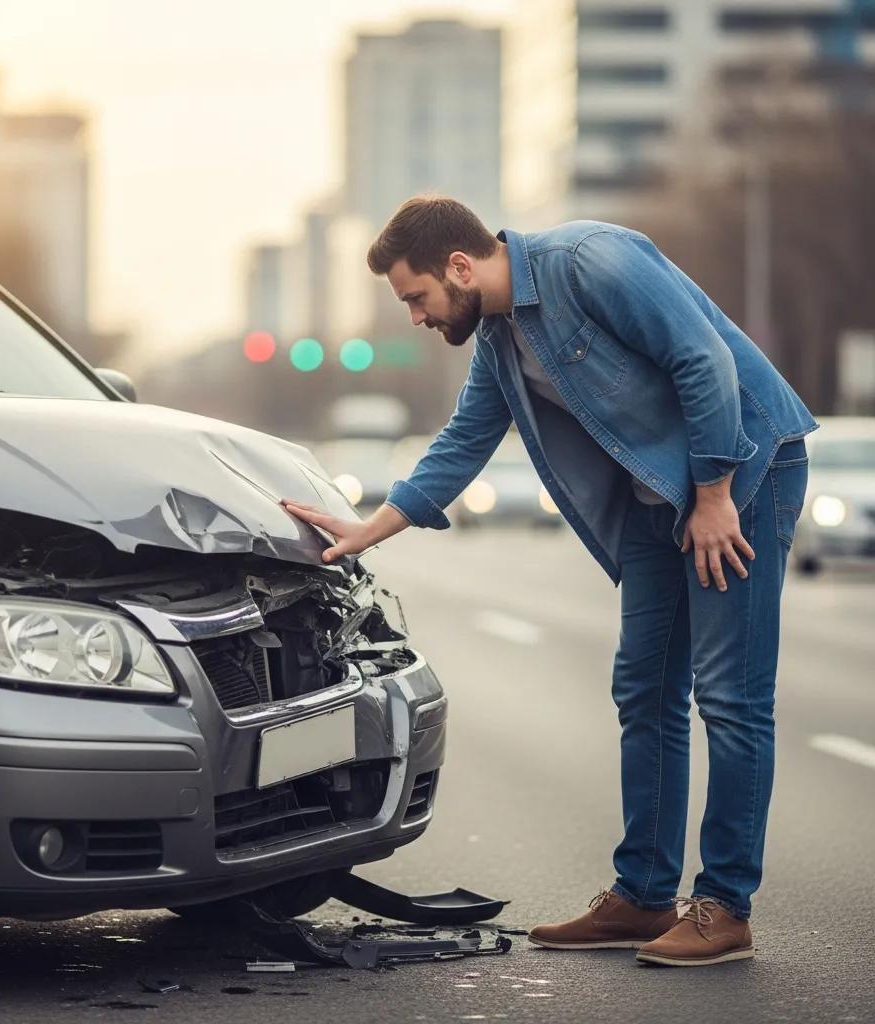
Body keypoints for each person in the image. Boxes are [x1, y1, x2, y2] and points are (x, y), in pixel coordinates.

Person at [283, 195, 818, 968]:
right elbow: (465, 438)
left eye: (417, 297)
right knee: (644, 690)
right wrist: (372, 527)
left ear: (459, 267)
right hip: (656, 495)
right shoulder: (500, 338)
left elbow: (703, 360)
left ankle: (726, 907)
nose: (416, 317)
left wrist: (712, 495)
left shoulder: (591, 260)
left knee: (730, 697)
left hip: (743, 472)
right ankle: (644, 895)